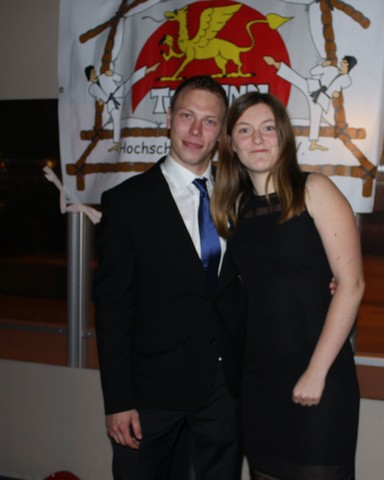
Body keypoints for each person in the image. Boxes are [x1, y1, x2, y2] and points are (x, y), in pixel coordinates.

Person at [94, 75, 245, 480]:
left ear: (222, 133)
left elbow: (264, 272)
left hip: (224, 391)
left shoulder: (239, 198)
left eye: (209, 121)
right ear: (169, 120)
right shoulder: (126, 203)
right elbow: (112, 309)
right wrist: (118, 400)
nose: (196, 131)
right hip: (149, 395)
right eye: (186, 116)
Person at [212, 92, 365, 480]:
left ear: (283, 136)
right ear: (231, 144)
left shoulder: (314, 189)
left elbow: (352, 285)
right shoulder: (234, 208)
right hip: (259, 378)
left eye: (267, 128)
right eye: (244, 130)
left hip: (319, 372)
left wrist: (316, 372)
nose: (257, 139)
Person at [263, 55, 357, 151]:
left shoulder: (347, 80)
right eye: (342, 62)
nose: (340, 63)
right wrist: (322, 65)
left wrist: (335, 94)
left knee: (316, 118)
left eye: (344, 63)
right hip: (314, 86)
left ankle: (313, 144)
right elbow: (313, 72)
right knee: (297, 79)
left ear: (349, 65)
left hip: (323, 97)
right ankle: (275, 63)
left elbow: (336, 90)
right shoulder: (332, 69)